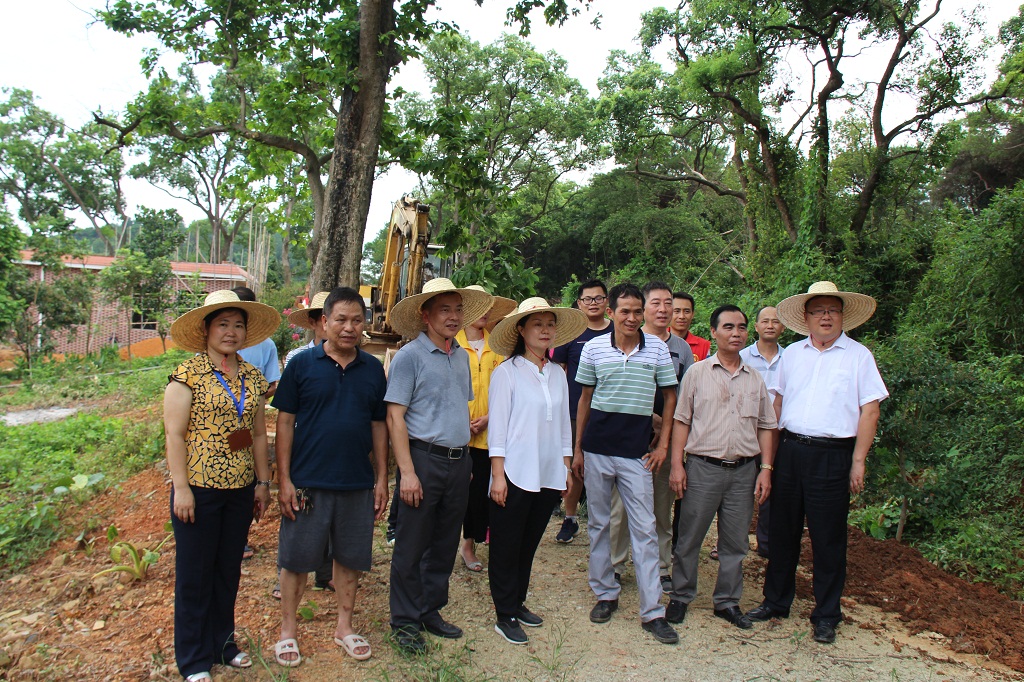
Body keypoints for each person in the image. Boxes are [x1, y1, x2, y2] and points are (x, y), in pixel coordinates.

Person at [746, 282, 888, 645]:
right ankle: (775, 602)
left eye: (833, 310)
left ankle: (826, 614)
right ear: (805, 318)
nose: (826, 316)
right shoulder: (792, 354)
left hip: (833, 455)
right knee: (781, 532)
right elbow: (775, 407)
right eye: (818, 311)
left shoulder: (858, 356)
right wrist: (769, 461)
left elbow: (869, 410)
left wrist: (859, 461)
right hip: (791, 451)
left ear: (843, 316)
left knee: (828, 539)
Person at [164, 290, 280, 682]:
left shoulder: (250, 375)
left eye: (238, 325)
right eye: (223, 324)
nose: (231, 332)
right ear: (206, 330)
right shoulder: (187, 375)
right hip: (199, 488)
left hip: (240, 488)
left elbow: (258, 435)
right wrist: (181, 488)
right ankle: (194, 659)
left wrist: (263, 483)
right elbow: (174, 435)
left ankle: (223, 643)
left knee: (228, 570)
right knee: (195, 574)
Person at [272, 287, 389, 666]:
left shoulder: (372, 369)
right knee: (296, 559)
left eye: (357, 320)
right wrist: (283, 480)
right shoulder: (302, 366)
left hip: (355, 482)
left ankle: (344, 626)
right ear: (324, 322)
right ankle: (288, 631)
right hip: (307, 482)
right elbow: (285, 423)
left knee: (350, 558)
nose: (349, 327)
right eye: (340, 319)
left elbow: (378, 426)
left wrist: (382, 477)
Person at [384, 278, 494, 653]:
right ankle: (404, 621)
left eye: (458, 309)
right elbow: (395, 418)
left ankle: (430, 609)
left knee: (445, 542)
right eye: (444, 309)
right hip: (423, 461)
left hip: (458, 462)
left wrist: (465, 459)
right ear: (425, 315)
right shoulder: (409, 357)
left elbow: (456, 409)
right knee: (412, 544)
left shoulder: (460, 356)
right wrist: (408, 473)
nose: (453, 317)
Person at [572, 283, 680, 645]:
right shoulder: (593, 348)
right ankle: (605, 593)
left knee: (645, 530)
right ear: (612, 312)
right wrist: (578, 449)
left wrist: (663, 446)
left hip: (637, 456)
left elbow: (670, 395)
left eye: (637, 311)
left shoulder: (659, 350)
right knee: (599, 524)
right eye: (625, 311)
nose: (632, 318)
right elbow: (584, 400)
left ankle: (653, 612)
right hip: (598, 451)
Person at [665, 305, 777, 630]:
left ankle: (727, 601)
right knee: (689, 537)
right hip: (703, 468)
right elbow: (681, 421)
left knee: (735, 542)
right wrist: (677, 465)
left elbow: (767, 426)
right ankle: (681, 596)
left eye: (741, 327)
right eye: (728, 327)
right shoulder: (697, 374)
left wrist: (766, 468)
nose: (736, 333)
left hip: (744, 471)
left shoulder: (755, 379)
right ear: (713, 332)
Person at [485, 298, 587, 644]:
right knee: (506, 544)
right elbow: (497, 429)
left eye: (550, 324)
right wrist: (497, 475)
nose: (545, 330)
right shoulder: (507, 372)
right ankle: (504, 613)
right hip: (514, 471)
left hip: (546, 472)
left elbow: (562, 426)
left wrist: (565, 467)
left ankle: (518, 601)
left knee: (528, 543)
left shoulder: (558, 374)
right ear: (521, 330)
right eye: (537, 324)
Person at [607, 281, 693, 592]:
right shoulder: (623, 342)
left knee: (660, 508)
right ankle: (615, 566)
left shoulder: (681, 349)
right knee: (620, 509)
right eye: (656, 303)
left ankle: (662, 567)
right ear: (643, 309)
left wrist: (667, 433)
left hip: (665, 443)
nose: (664, 309)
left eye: (668, 303)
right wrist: (648, 420)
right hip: (629, 441)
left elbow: (685, 397)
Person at [454, 287, 517, 573]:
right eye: (480, 307)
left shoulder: (499, 349)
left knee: (480, 492)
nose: (485, 313)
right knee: (455, 492)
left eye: (489, 307)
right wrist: (460, 420)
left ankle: (470, 543)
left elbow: (508, 392)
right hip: (455, 433)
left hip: (490, 435)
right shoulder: (452, 345)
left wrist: (490, 417)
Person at [551, 279, 612, 544]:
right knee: (575, 465)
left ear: (607, 301)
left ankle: (608, 522)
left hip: (610, 409)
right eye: (588, 299)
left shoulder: (617, 332)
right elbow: (557, 368)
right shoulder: (572, 333)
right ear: (579, 303)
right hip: (576, 409)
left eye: (599, 298)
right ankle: (571, 518)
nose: (593, 304)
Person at [233, 286, 282, 560]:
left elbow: (272, 384)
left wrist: (251, 397)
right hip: (222, 431)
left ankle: (240, 539)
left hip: (250, 424)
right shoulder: (199, 364)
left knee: (247, 480)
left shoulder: (266, 345)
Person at [739, 306, 786, 558]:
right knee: (740, 486)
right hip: (745, 429)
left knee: (770, 485)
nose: (770, 325)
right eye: (764, 321)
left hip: (776, 433)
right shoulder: (741, 356)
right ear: (755, 327)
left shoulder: (791, 359)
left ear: (783, 327)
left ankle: (766, 543)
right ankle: (733, 540)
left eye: (776, 322)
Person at [671, 292, 711, 363]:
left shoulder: (704, 346)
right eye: (677, 311)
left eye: (686, 311)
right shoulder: (658, 341)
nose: (682, 316)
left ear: (692, 314)